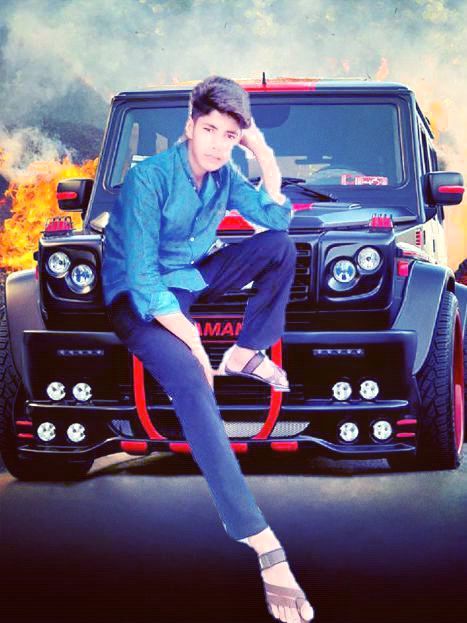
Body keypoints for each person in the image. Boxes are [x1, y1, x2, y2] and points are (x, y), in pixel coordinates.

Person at [102, 75, 314, 622]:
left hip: (189, 280)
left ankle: (245, 351)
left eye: (231, 135)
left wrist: (264, 155)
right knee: (195, 384)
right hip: (138, 299)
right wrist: (192, 338)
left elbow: (275, 219)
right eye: (211, 130)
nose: (218, 144)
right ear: (190, 126)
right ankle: (262, 542)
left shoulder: (225, 174)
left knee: (279, 248)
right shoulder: (149, 177)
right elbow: (142, 277)